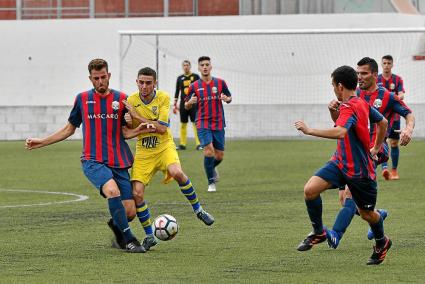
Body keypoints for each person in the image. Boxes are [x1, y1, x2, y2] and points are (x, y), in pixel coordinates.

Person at [25, 58, 150, 253]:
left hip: (119, 160)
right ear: (90, 79)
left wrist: (138, 128)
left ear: (109, 76)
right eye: (96, 78)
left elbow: (125, 132)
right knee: (112, 191)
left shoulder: (122, 99)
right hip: (94, 160)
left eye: (103, 77)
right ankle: (130, 240)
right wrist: (42, 141)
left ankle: (117, 224)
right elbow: (69, 129)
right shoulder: (82, 99)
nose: (100, 81)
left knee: (130, 211)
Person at [295, 65, 392, 265]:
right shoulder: (359, 103)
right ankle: (319, 232)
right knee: (310, 190)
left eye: (333, 85)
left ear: (340, 86)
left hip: (360, 171)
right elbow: (381, 122)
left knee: (368, 215)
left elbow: (340, 132)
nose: (333, 89)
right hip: (340, 162)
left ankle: (382, 241)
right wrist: (376, 147)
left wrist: (309, 130)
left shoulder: (351, 106)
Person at [325, 57, 415, 249]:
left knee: (349, 193)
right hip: (354, 151)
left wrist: (408, 129)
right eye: (357, 73)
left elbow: (408, 114)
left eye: (364, 73)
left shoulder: (388, 96)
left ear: (375, 75)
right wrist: (334, 110)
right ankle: (377, 215)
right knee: (345, 201)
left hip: (376, 149)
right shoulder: (353, 95)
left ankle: (335, 234)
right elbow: (341, 121)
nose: (359, 77)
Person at [123, 67, 215, 251]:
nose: (144, 86)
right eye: (141, 82)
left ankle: (198, 210)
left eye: (148, 83)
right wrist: (127, 119)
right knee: (137, 193)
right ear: (136, 82)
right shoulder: (130, 100)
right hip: (144, 152)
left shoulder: (163, 98)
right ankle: (150, 235)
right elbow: (127, 131)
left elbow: (162, 128)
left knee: (177, 172)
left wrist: (134, 115)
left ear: (154, 83)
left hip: (164, 146)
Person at [185, 56, 232, 192]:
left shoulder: (220, 83)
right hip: (202, 122)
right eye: (202, 65)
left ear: (210, 67)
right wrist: (189, 103)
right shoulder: (194, 86)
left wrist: (226, 98)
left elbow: (229, 98)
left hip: (218, 122)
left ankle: (211, 168)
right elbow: (186, 105)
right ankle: (211, 183)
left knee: (219, 155)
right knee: (208, 150)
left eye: (207, 64)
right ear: (199, 68)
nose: (205, 67)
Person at [378, 55, 406, 180]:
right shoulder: (376, 79)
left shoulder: (397, 79)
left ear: (392, 64)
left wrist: (396, 97)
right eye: (384, 63)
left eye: (389, 63)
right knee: (381, 141)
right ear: (381, 64)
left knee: (394, 143)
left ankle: (394, 171)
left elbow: (401, 94)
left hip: (394, 117)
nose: (387, 65)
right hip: (380, 116)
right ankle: (384, 169)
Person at [173, 60, 202, 150]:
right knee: (183, 124)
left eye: (187, 65)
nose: (186, 67)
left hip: (194, 103)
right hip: (183, 103)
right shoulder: (179, 78)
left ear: (190, 66)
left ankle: (199, 144)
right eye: (184, 65)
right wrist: (175, 104)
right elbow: (177, 91)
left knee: (195, 123)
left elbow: (200, 89)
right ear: (182, 67)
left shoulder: (196, 76)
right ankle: (182, 144)